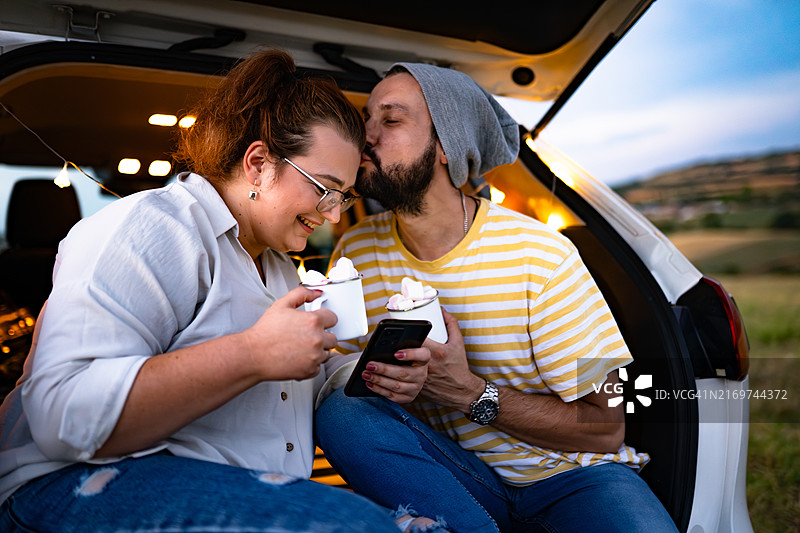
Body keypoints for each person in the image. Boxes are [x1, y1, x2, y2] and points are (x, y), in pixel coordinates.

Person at [0, 50, 439, 533]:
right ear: (258, 164)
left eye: (344, 196)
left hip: (221, 482)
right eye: (324, 188)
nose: (333, 215)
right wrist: (252, 353)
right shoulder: (146, 230)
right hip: (62, 485)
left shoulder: (277, 267)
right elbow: (62, 416)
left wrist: (368, 372)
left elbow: (282, 387)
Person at [314, 63, 680, 532]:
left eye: (390, 120)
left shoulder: (540, 254)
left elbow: (606, 428)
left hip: (573, 476)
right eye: (367, 119)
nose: (365, 136)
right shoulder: (355, 251)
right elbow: (347, 384)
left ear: (446, 145)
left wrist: (467, 392)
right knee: (344, 413)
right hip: (452, 476)